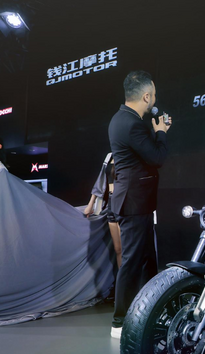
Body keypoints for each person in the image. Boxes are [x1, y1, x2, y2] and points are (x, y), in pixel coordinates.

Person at [108, 70, 172, 339]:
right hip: (133, 203)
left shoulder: (119, 118)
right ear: (146, 97)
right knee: (134, 262)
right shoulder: (132, 124)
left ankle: (150, 312)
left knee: (146, 261)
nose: (154, 99)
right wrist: (161, 133)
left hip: (136, 203)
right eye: (153, 95)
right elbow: (157, 158)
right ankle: (119, 321)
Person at [84, 152, 122, 269]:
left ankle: (129, 278)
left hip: (123, 202)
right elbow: (100, 182)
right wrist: (90, 204)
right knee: (117, 249)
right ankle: (122, 278)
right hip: (111, 202)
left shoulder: (127, 155)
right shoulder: (109, 156)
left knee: (126, 248)